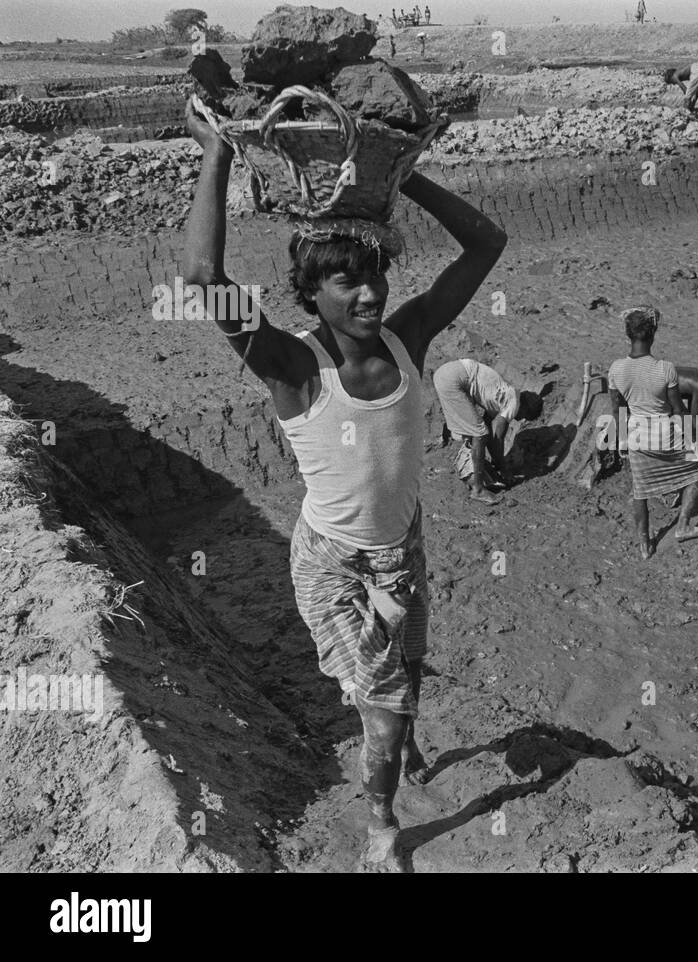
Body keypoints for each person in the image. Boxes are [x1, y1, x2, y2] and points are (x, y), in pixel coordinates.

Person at [181, 98, 507, 872]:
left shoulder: (409, 338)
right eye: (342, 281)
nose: (366, 295)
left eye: (373, 276)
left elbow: (487, 241)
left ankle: (396, 724)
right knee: (386, 712)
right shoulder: (293, 366)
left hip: (403, 548)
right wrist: (219, 150)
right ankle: (383, 826)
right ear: (310, 293)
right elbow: (201, 275)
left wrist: (403, 178)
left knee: (409, 676)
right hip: (333, 565)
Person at [607, 306, 698, 559]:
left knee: (640, 491)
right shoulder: (665, 368)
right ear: (653, 336)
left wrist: (621, 442)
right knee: (696, 473)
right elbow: (677, 410)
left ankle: (644, 544)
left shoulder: (616, 369)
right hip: (666, 435)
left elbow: (618, 410)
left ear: (628, 336)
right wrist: (695, 439)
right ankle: (683, 525)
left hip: (637, 437)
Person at [433, 358, 543, 505]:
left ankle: (474, 474)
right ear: (525, 409)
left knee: (479, 431)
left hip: (447, 372)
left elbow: (491, 436)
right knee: (479, 434)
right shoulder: (513, 403)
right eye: (523, 417)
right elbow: (498, 436)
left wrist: (497, 466)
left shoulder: (503, 393)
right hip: (455, 379)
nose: (519, 419)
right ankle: (478, 490)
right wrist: (503, 468)